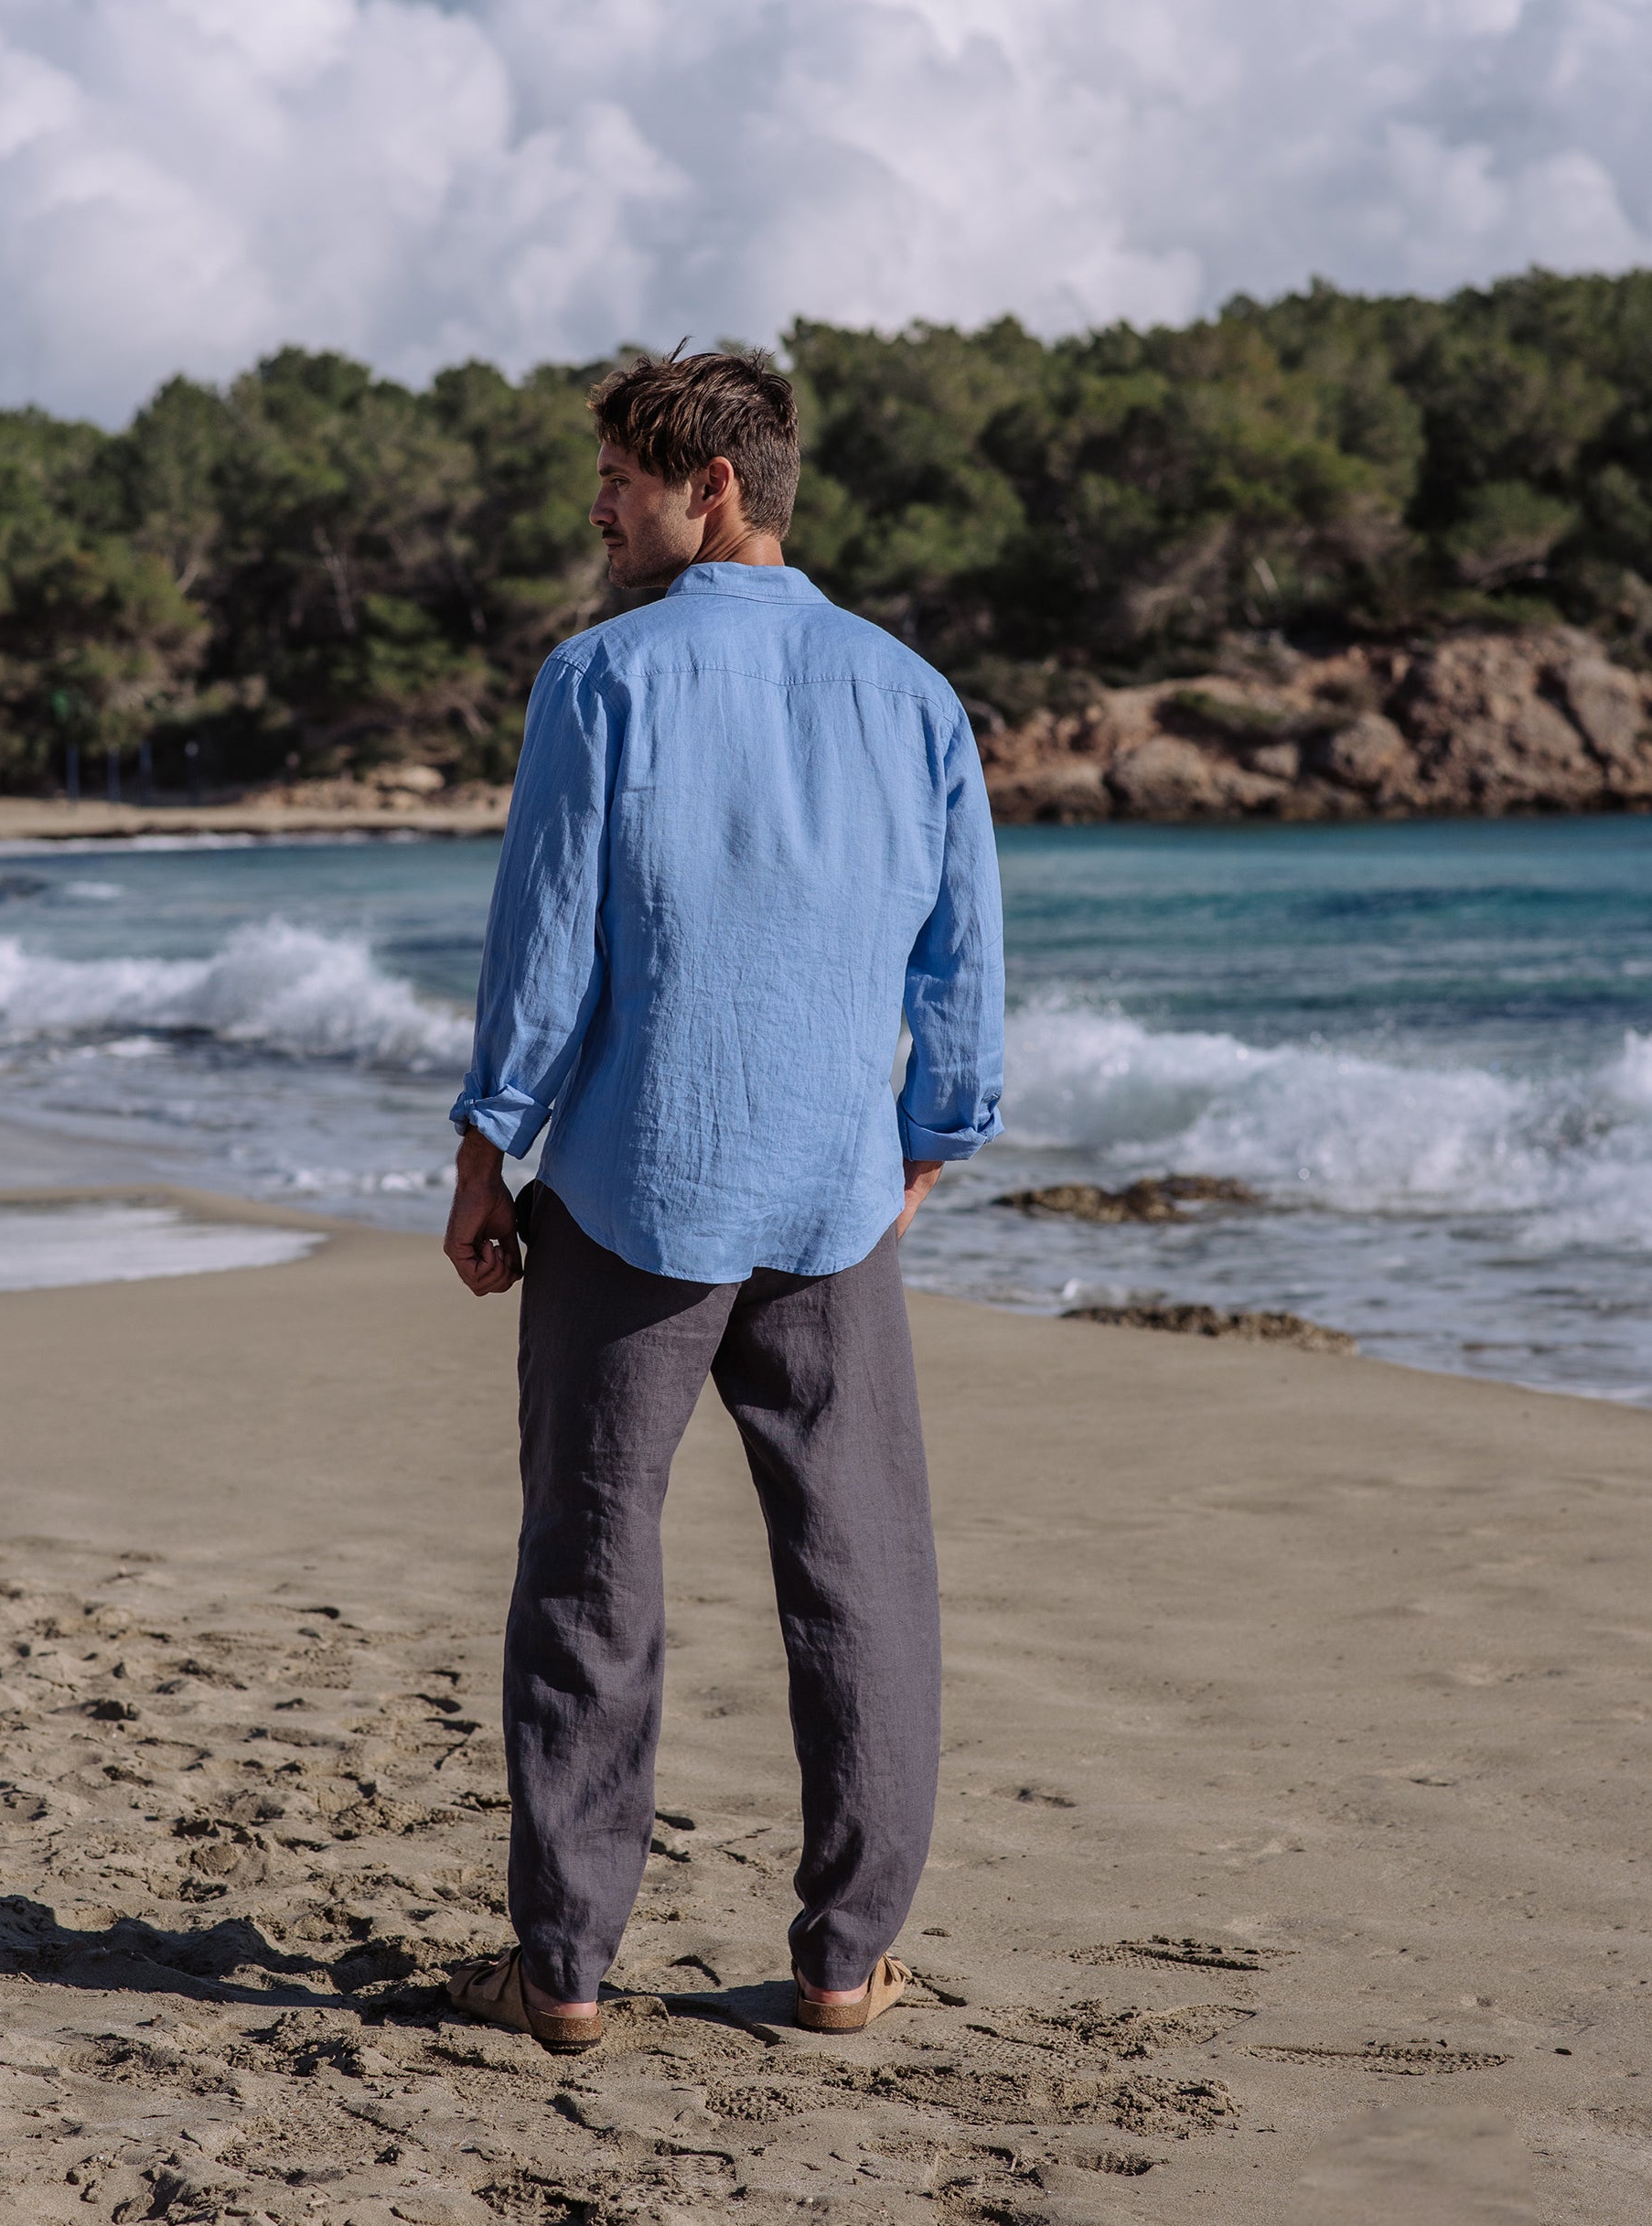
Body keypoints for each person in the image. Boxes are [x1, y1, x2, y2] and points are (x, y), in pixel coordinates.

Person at [441, 348, 1004, 2053]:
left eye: (622, 475)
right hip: (832, 1199)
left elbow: (549, 947)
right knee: (863, 1580)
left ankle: (567, 1971)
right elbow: (961, 961)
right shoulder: (910, 693)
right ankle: (843, 1961)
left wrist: (489, 1146)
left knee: (588, 1572)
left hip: (630, 1185)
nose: (598, 505)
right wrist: (927, 1140)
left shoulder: (599, 681)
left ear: (719, 489)